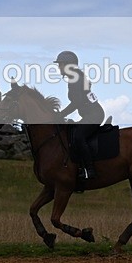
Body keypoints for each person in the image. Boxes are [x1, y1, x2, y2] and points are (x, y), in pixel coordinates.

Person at [55, 50, 105, 181]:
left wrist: (61, 114)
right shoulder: (76, 77)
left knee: (78, 136)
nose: (58, 67)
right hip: (89, 115)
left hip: (94, 115)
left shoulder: (76, 79)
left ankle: (90, 170)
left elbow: (76, 102)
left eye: (60, 64)